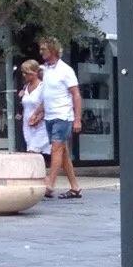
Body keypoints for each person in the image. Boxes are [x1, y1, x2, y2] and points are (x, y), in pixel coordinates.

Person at [37, 36, 83, 199]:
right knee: (63, 152)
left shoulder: (66, 70)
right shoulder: (46, 70)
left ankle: (50, 184)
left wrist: (77, 118)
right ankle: (75, 187)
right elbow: (47, 94)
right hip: (50, 116)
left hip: (63, 116)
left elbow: (76, 94)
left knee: (56, 149)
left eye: (44, 49)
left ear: (53, 51)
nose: (41, 52)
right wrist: (39, 112)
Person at [19, 59, 51, 193]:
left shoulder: (43, 87)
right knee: (35, 154)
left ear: (35, 73)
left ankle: (41, 183)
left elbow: (48, 104)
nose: (25, 76)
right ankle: (43, 182)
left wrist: (39, 117)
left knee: (33, 153)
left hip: (40, 125)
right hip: (28, 125)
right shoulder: (25, 88)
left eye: (28, 73)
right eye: (24, 73)